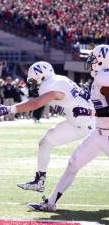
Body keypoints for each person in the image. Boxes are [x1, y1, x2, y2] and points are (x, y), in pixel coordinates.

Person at [0, 61, 95, 192]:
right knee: (45, 142)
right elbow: (35, 100)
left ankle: (40, 183)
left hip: (86, 124)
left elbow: (36, 103)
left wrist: (9, 109)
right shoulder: (59, 80)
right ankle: (39, 181)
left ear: (42, 76)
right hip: (80, 122)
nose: (33, 85)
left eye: (34, 81)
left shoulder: (50, 85)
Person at [27, 44, 109, 211]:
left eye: (94, 59)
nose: (91, 62)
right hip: (98, 133)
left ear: (102, 60)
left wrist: (88, 110)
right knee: (73, 164)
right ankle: (50, 203)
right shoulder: (102, 76)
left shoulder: (104, 78)